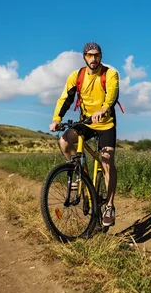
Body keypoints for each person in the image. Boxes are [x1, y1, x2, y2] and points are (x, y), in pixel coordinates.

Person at [49, 42, 120, 227]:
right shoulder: (77, 76)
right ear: (84, 57)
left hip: (105, 123)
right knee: (65, 141)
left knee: (107, 160)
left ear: (101, 56)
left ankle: (110, 206)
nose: (93, 59)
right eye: (89, 55)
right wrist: (57, 119)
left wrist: (104, 109)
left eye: (96, 55)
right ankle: (80, 172)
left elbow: (111, 96)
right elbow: (66, 97)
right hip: (86, 122)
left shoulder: (110, 74)